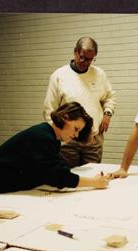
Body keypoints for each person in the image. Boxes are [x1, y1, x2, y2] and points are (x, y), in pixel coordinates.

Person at [0, 102, 110, 203]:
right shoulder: (42, 137)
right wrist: (94, 182)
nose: (76, 135)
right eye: (76, 129)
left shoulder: (50, 137)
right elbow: (59, 177)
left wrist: (93, 181)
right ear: (65, 118)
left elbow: (60, 168)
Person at [43, 36, 116, 168]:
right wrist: (59, 135)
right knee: (69, 176)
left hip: (93, 138)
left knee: (93, 177)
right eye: (81, 56)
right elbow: (49, 109)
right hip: (69, 141)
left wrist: (107, 114)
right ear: (75, 52)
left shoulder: (99, 74)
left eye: (89, 59)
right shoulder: (59, 76)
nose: (84, 61)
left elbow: (110, 97)